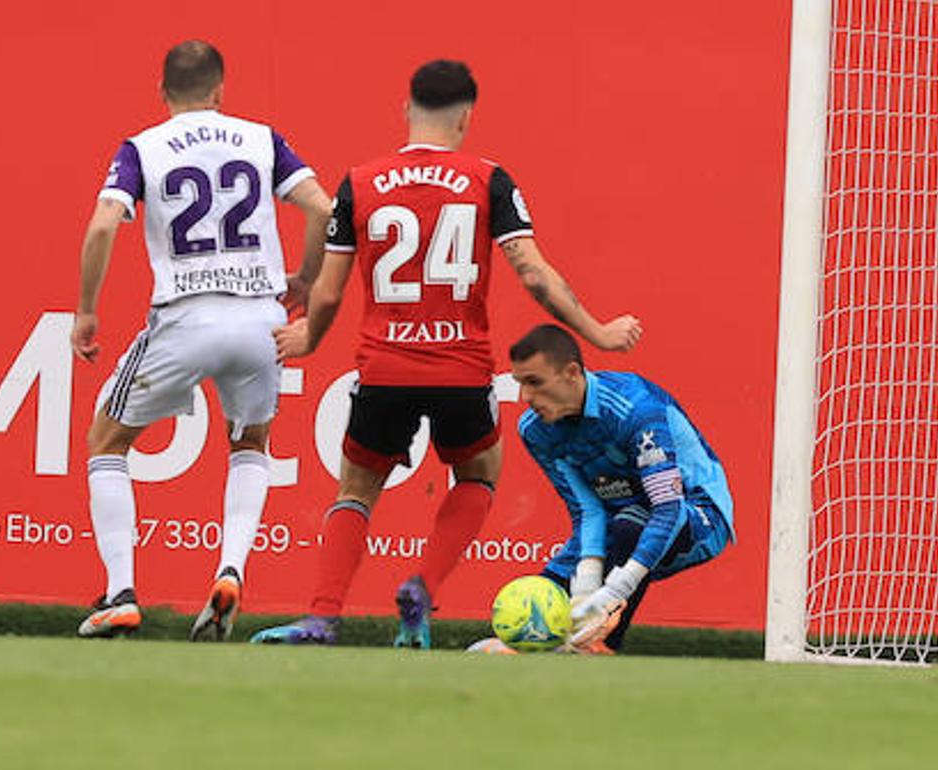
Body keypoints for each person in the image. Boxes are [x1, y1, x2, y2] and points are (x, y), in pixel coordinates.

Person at [250, 59, 642, 648]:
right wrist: (597, 331)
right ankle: (421, 590)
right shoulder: (488, 180)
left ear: (406, 110)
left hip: (383, 367)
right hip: (461, 368)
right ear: (465, 117)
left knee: (356, 490)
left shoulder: (362, 180)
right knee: (479, 475)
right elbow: (533, 275)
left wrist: (309, 337)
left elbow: (328, 289)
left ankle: (323, 616)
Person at [71, 40, 332, 640]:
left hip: (186, 315)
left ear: (163, 94)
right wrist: (305, 279)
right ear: (220, 91)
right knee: (251, 443)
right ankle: (231, 569)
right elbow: (323, 207)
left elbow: (104, 224)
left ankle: (119, 593)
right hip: (259, 317)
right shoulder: (261, 138)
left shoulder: (143, 146)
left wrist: (86, 312)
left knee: (106, 442)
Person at [507, 324, 734, 654]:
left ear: (572, 373)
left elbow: (667, 509)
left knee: (631, 526)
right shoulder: (535, 430)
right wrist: (585, 583)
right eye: (520, 384)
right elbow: (587, 509)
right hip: (616, 520)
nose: (525, 397)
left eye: (535, 382)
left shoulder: (636, 409)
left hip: (696, 514)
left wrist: (614, 591)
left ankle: (602, 643)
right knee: (538, 598)